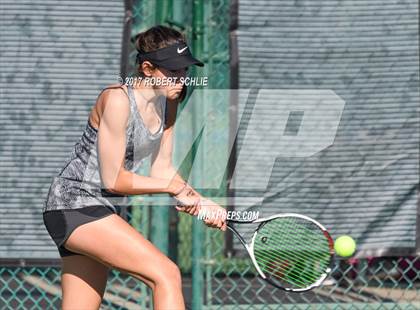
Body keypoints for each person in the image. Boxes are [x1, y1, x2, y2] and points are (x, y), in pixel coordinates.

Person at [42, 25, 227, 310]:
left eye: (184, 71)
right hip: (73, 204)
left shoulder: (170, 102)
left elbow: (162, 171)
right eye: (173, 71)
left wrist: (201, 202)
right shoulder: (117, 99)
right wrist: (172, 188)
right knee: (166, 274)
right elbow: (114, 179)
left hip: (100, 209)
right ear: (148, 68)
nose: (181, 79)